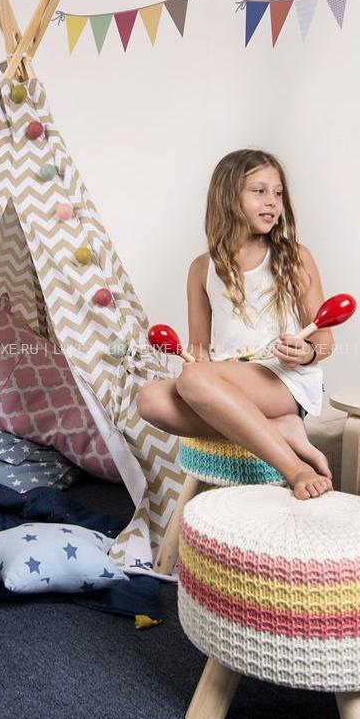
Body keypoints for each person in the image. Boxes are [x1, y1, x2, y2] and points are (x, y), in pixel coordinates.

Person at [137, 149, 335, 499]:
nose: (272, 201)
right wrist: (197, 363)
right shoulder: (202, 268)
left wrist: (306, 352)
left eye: (277, 193)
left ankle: (295, 468)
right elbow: (199, 348)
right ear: (228, 197)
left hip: (282, 382)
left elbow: (325, 339)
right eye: (259, 191)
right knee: (149, 399)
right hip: (227, 379)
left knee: (195, 380)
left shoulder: (294, 257)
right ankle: (279, 428)